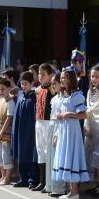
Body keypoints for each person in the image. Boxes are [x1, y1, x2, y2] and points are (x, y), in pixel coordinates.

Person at [51, 69, 90, 199]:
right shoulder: (63, 96)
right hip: (63, 130)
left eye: (64, 78)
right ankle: (71, 191)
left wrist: (69, 114)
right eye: (61, 78)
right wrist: (57, 133)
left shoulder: (76, 95)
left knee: (72, 157)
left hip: (72, 132)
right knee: (66, 157)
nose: (61, 80)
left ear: (70, 79)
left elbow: (84, 115)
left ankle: (74, 191)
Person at [12, 71, 39, 189]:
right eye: (22, 84)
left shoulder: (34, 97)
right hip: (20, 129)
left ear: (32, 83)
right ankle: (23, 178)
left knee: (31, 153)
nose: (23, 86)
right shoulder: (21, 96)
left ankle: (32, 179)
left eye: (26, 84)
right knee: (21, 153)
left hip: (31, 130)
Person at [84, 65, 99, 188]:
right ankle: (92, 184)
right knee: (90, 153)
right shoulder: (89, 91)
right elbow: (87, 109)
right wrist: (85, 126)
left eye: (97, 76)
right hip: (90, 125)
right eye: (92, 76)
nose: (94, 79)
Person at [33, 63, 55, 191]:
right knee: (40, 151)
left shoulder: (52, 90)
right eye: (39, 74)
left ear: (50, 76)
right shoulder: (37, 89)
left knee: (48, 152)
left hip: (48, 122)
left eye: (43, 74)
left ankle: (49, 182)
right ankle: (42, 181)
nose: (40, 76)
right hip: (39, 122)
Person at [46, 73, 66, 197]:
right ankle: (50, 185)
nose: (53, 86)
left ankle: (59, 187)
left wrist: (57, 133)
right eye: (52, 84)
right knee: (50, 157)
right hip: (51, 126)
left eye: (55, 83)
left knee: (57, 157)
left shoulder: (64, 98)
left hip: (59, 127)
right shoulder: (54, 99)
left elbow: (62, 117)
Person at [0, 78, 16, 186]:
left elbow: (9, 118)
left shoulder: (10, 101)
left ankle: (7, 178)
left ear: (9, 88)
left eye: (2, 89)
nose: (0, 92)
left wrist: (1, 132)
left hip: (5, 132)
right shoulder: (1, 100)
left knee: (5, 155)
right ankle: (2, 176)